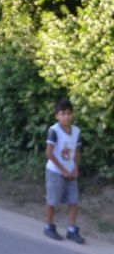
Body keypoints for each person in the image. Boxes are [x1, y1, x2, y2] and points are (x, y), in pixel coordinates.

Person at [43, 99, 85, 244]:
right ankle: (49, 226)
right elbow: (49, 153)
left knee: (73, 200)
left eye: (68, 113)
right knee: (52, 200)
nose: (66, 116)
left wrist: (75, 167)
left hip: (71, 171)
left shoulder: (76, 131)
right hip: (55, 171)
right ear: (57, 116)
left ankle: (72, 230)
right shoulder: (54, 130)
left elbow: (77, 152)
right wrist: (62, 169)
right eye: (63, 113)